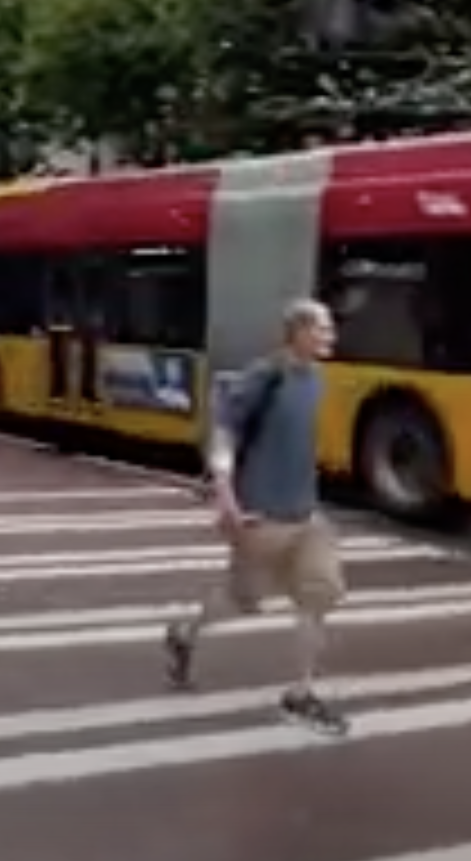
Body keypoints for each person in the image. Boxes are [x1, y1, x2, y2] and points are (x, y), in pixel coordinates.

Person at [161, 296, 349, 737]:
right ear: (299, 332)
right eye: (323, 329)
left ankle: (300, 694)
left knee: (318, 595)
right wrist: (226, 496)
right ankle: (185, 633)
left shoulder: (316, 378)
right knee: (242, 600)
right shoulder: (266, 375)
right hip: (259, 514)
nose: (331, 337)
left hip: (306, 514)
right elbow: (224, 429)